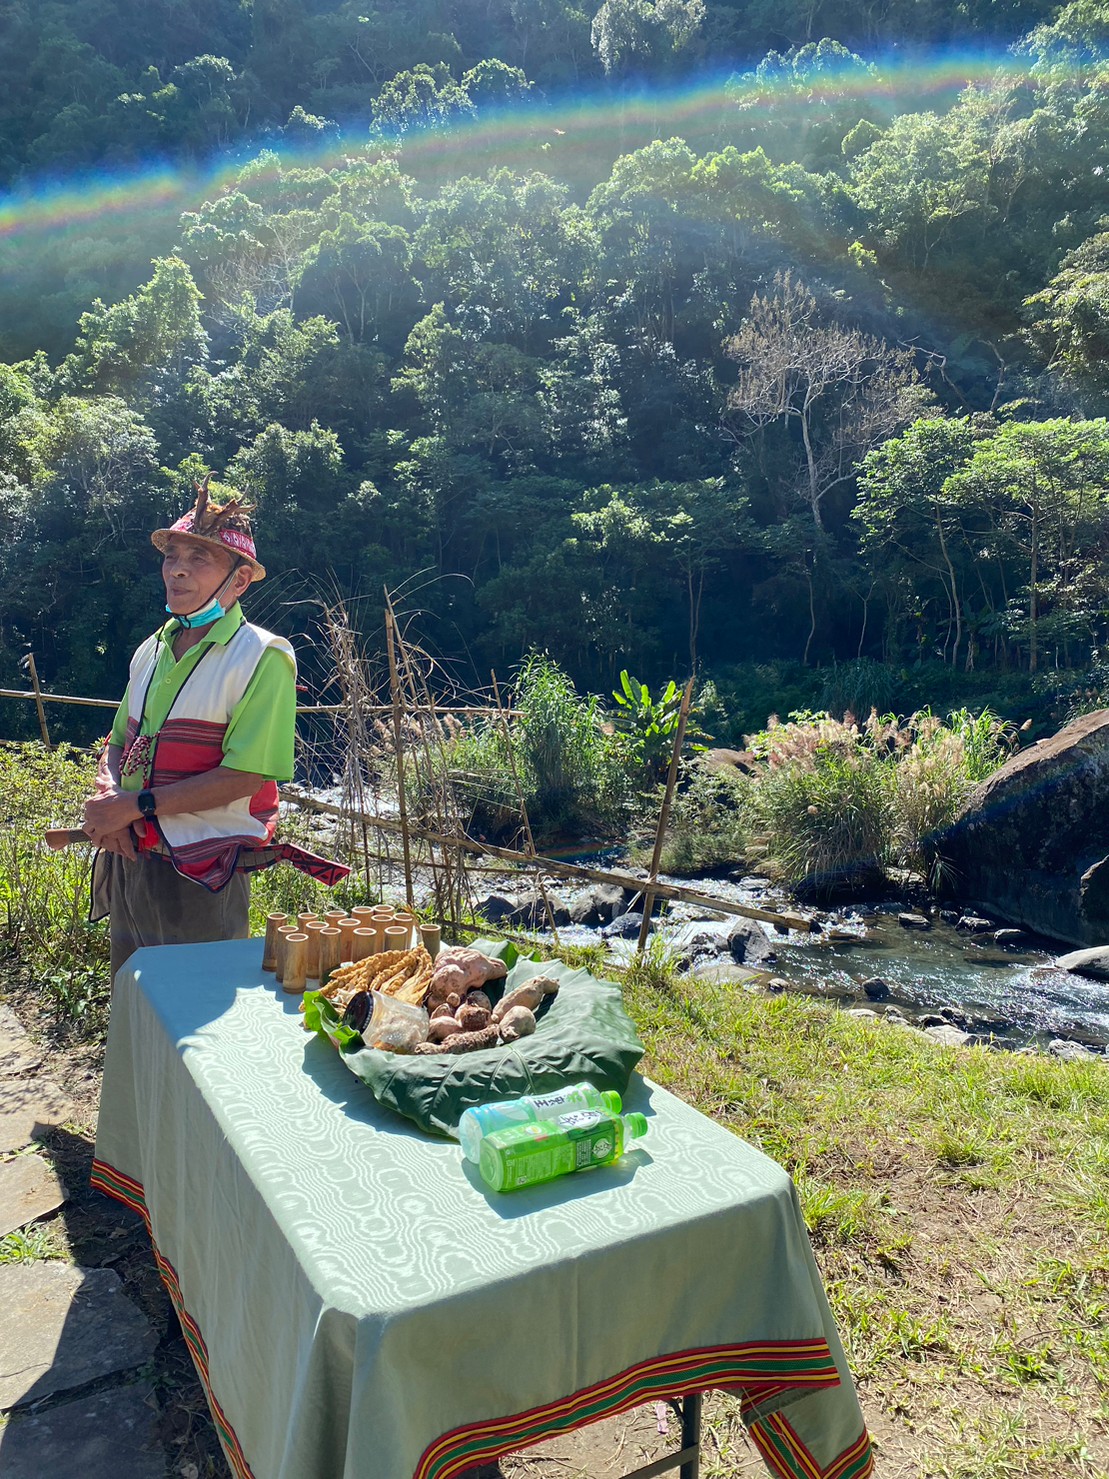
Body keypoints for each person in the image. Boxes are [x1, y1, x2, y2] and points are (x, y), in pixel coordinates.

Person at [84, 475, 311, 983]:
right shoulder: (152, 648)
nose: (178, 571)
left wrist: (133, 806)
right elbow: (121, 741)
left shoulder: (263, 657)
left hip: (201, 874)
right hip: (132, 858)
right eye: (172, 556)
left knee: (197, 1017)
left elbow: (244, 778)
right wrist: (109, 796)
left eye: (200, 559)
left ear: (239, 581)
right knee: (134, 1002)